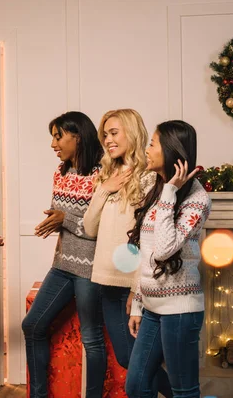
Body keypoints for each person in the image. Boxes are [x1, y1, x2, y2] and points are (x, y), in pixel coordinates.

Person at [83, 109, 172, 398]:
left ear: (131, 133)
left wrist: (137, 290)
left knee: (137, 362)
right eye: (105, 135)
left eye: (114, 133)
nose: (108, 140)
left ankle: (183, 392)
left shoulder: (148, 178)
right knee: (129, 360)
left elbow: (148, 240)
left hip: (134, 285)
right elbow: (89, 228)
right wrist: (103, 190)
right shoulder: (107, 175)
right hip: (107, 282)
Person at [126, 120, 212, 398]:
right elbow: (147, 255)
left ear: (171, 149)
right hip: (151, 309)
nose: (147, 149)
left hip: (180, 311)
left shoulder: (197, 199)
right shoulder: (157, 188)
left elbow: (164, 250)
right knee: (137, 386)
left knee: (184, 392)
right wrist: (139, 306)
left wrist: (170, 192)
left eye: (152, 143)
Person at [22, 111, 105, 398]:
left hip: (90, 269)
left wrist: (64, 220)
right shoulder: (61, 171)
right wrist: (56, 221)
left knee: (91, 339)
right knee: (32, 325)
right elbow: (62, 214)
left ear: (78, 137)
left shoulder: (102, 174)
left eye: (58, 136)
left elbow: (103, 228)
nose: (53, 144)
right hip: (62, 264)